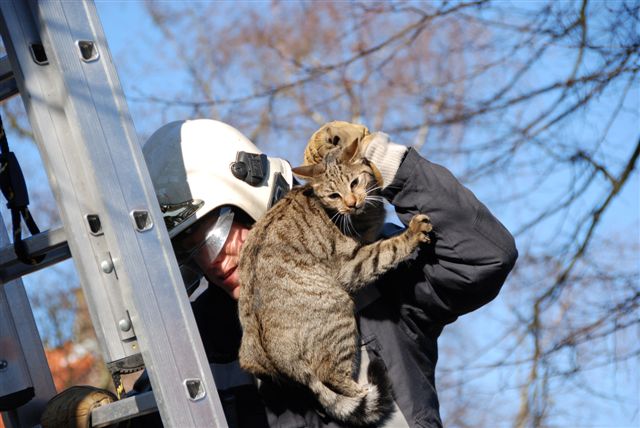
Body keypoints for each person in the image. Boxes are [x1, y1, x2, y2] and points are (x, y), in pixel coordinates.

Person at [136, 118, 518, 427]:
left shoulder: (379, 270)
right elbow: (144, 413)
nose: (214, 262)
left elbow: (483, 257)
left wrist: (382, 161)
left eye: (218, 234)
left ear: (253, 200)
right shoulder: (197, 339)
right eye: (191, 250)